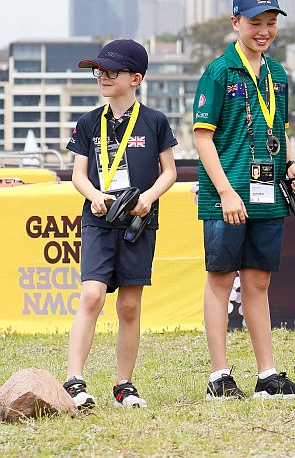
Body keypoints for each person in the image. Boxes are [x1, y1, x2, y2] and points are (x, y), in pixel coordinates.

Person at [193, 0, 295, 400]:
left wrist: (292, 166)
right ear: (235, 22)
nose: (263, 30)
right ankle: (219, 378)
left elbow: (279, 130)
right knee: (221, 280)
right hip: (226, 195)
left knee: (258, 282)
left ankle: (267, 376)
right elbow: (202, 137)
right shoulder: (219, 71)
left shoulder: (278, 73)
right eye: (255, 23)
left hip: (268, 194)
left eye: (270, 23)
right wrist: (226, 192)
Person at [64, 39, 178, 409]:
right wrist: (94, 195)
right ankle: (75, 380)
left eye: (112, 71)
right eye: (99, 70)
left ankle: (124, 385)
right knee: (92, 294)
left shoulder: (155, 121)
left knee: (130, 305)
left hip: (138, 223)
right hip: (98, 220)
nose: (103, 77)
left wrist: (148, 198)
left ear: (136, 78)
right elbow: (78, 175)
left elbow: (170, 172)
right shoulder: (88, 122)